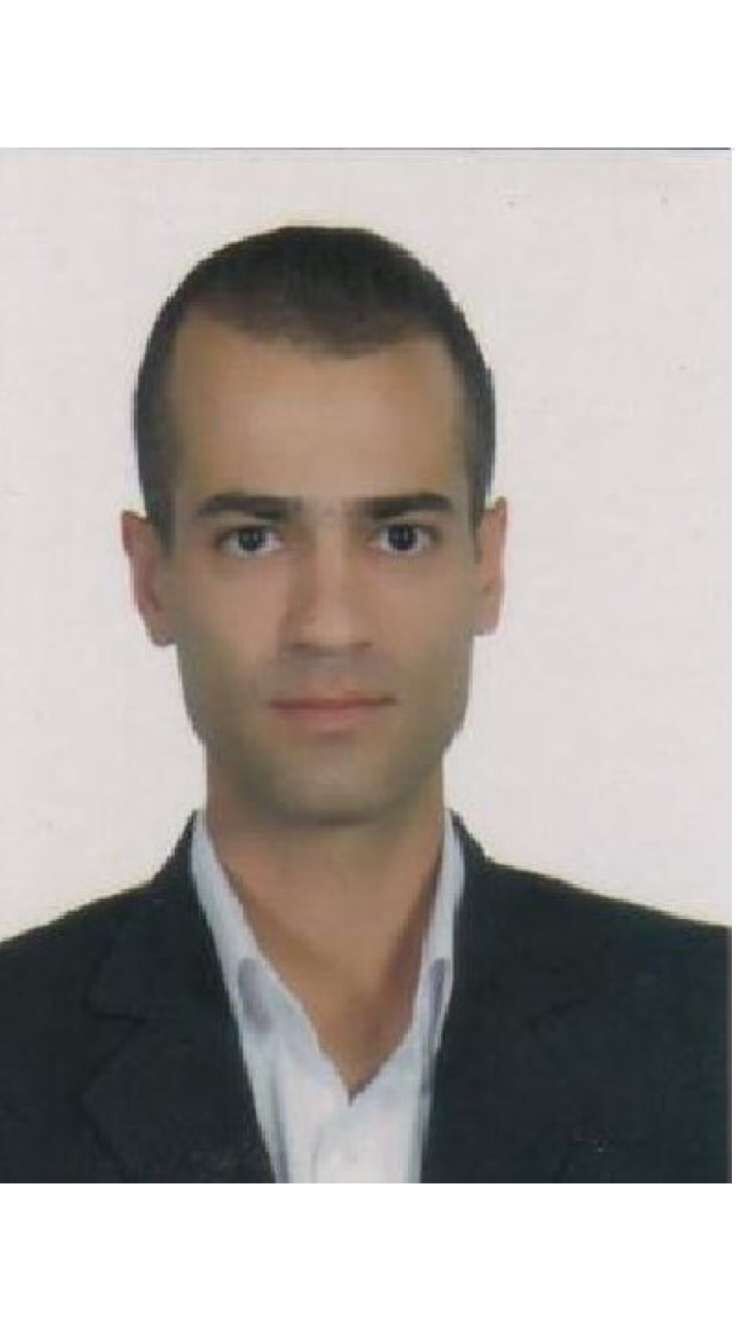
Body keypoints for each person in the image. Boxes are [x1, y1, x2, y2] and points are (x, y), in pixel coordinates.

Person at [0, 226, 729, 1183]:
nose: (330, 625)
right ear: (151, 579)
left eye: (399, 536)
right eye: (254, 538)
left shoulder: (713, 1032)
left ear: (487, 566)